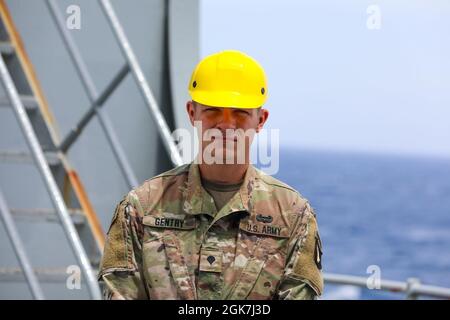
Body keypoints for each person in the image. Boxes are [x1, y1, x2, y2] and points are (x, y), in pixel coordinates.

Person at [97, 50, 323, 300]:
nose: (226, 124)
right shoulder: (141, 208)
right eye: (213, 110)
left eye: (240, 112)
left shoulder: (292, 215)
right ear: (192, 113)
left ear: (261, 120)